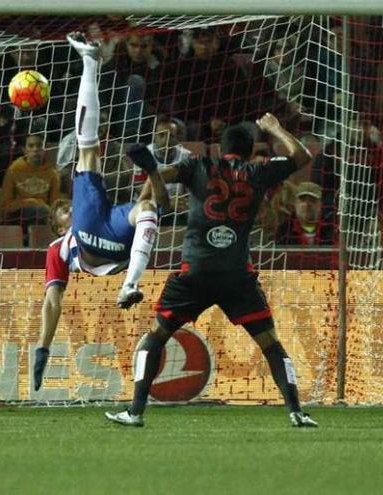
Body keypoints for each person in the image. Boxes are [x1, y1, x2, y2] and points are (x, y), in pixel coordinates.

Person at [105, 113, 318, 428]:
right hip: (236, 274)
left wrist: (152, 175)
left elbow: (161, 175)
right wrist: (275, 129)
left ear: (220, 149)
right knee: (271, 344)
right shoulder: (258, 172)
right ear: (248, 152)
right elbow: (302, 156)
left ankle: (135, 412)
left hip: (195, 271)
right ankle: (296, 412)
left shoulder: (198, 166)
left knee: (156, 337)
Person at [33, 33, 170, 391]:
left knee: (139, 200)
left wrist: (154, 172)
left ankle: (130, 285)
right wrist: (42, 348)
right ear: (55, 222)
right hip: (99, 238)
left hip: (103, 236)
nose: (65, 207)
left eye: (64, 204)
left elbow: (162, 205)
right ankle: (90, 62)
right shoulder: (58, 247)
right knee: (93, 155)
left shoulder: (62, 242)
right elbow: (52, 302)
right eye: (61, 209)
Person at [275, 181, 336, 246]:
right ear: (295, 203)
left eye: (312, 200)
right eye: (302, 200)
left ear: (320, 205)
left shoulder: (332, 230)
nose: (307, 204)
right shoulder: (284, 231)